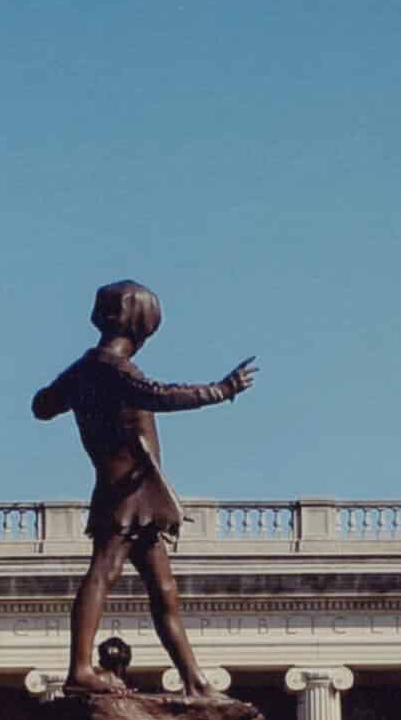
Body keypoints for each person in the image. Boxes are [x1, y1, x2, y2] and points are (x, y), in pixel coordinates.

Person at [33, 280, 254, 695]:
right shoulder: (112, 369)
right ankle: (80, 669)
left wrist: (73, 395)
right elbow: (160, 396)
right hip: (126, 491)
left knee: (164, 590)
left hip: (136, 492)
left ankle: (194, 680)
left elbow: (42, 405)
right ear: (142, 326)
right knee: (106, 571)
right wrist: (221, 390)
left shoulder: (86, 369)